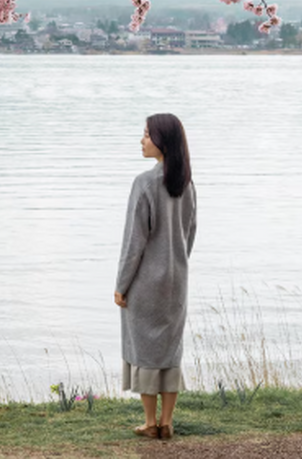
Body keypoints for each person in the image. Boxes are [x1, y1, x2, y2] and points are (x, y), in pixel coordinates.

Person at [114, 112, 196, 440]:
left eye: (147, 134)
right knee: (169, 350)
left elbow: (134, 242)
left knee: (145, 351)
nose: (142, 140)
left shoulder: (144, 183)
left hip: (146, 282)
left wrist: (121, 286)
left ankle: (150, 423)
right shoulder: (186, 183)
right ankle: (167, 421)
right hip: (177, 280)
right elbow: (190, 232)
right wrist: (177, 263)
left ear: (162, 141)